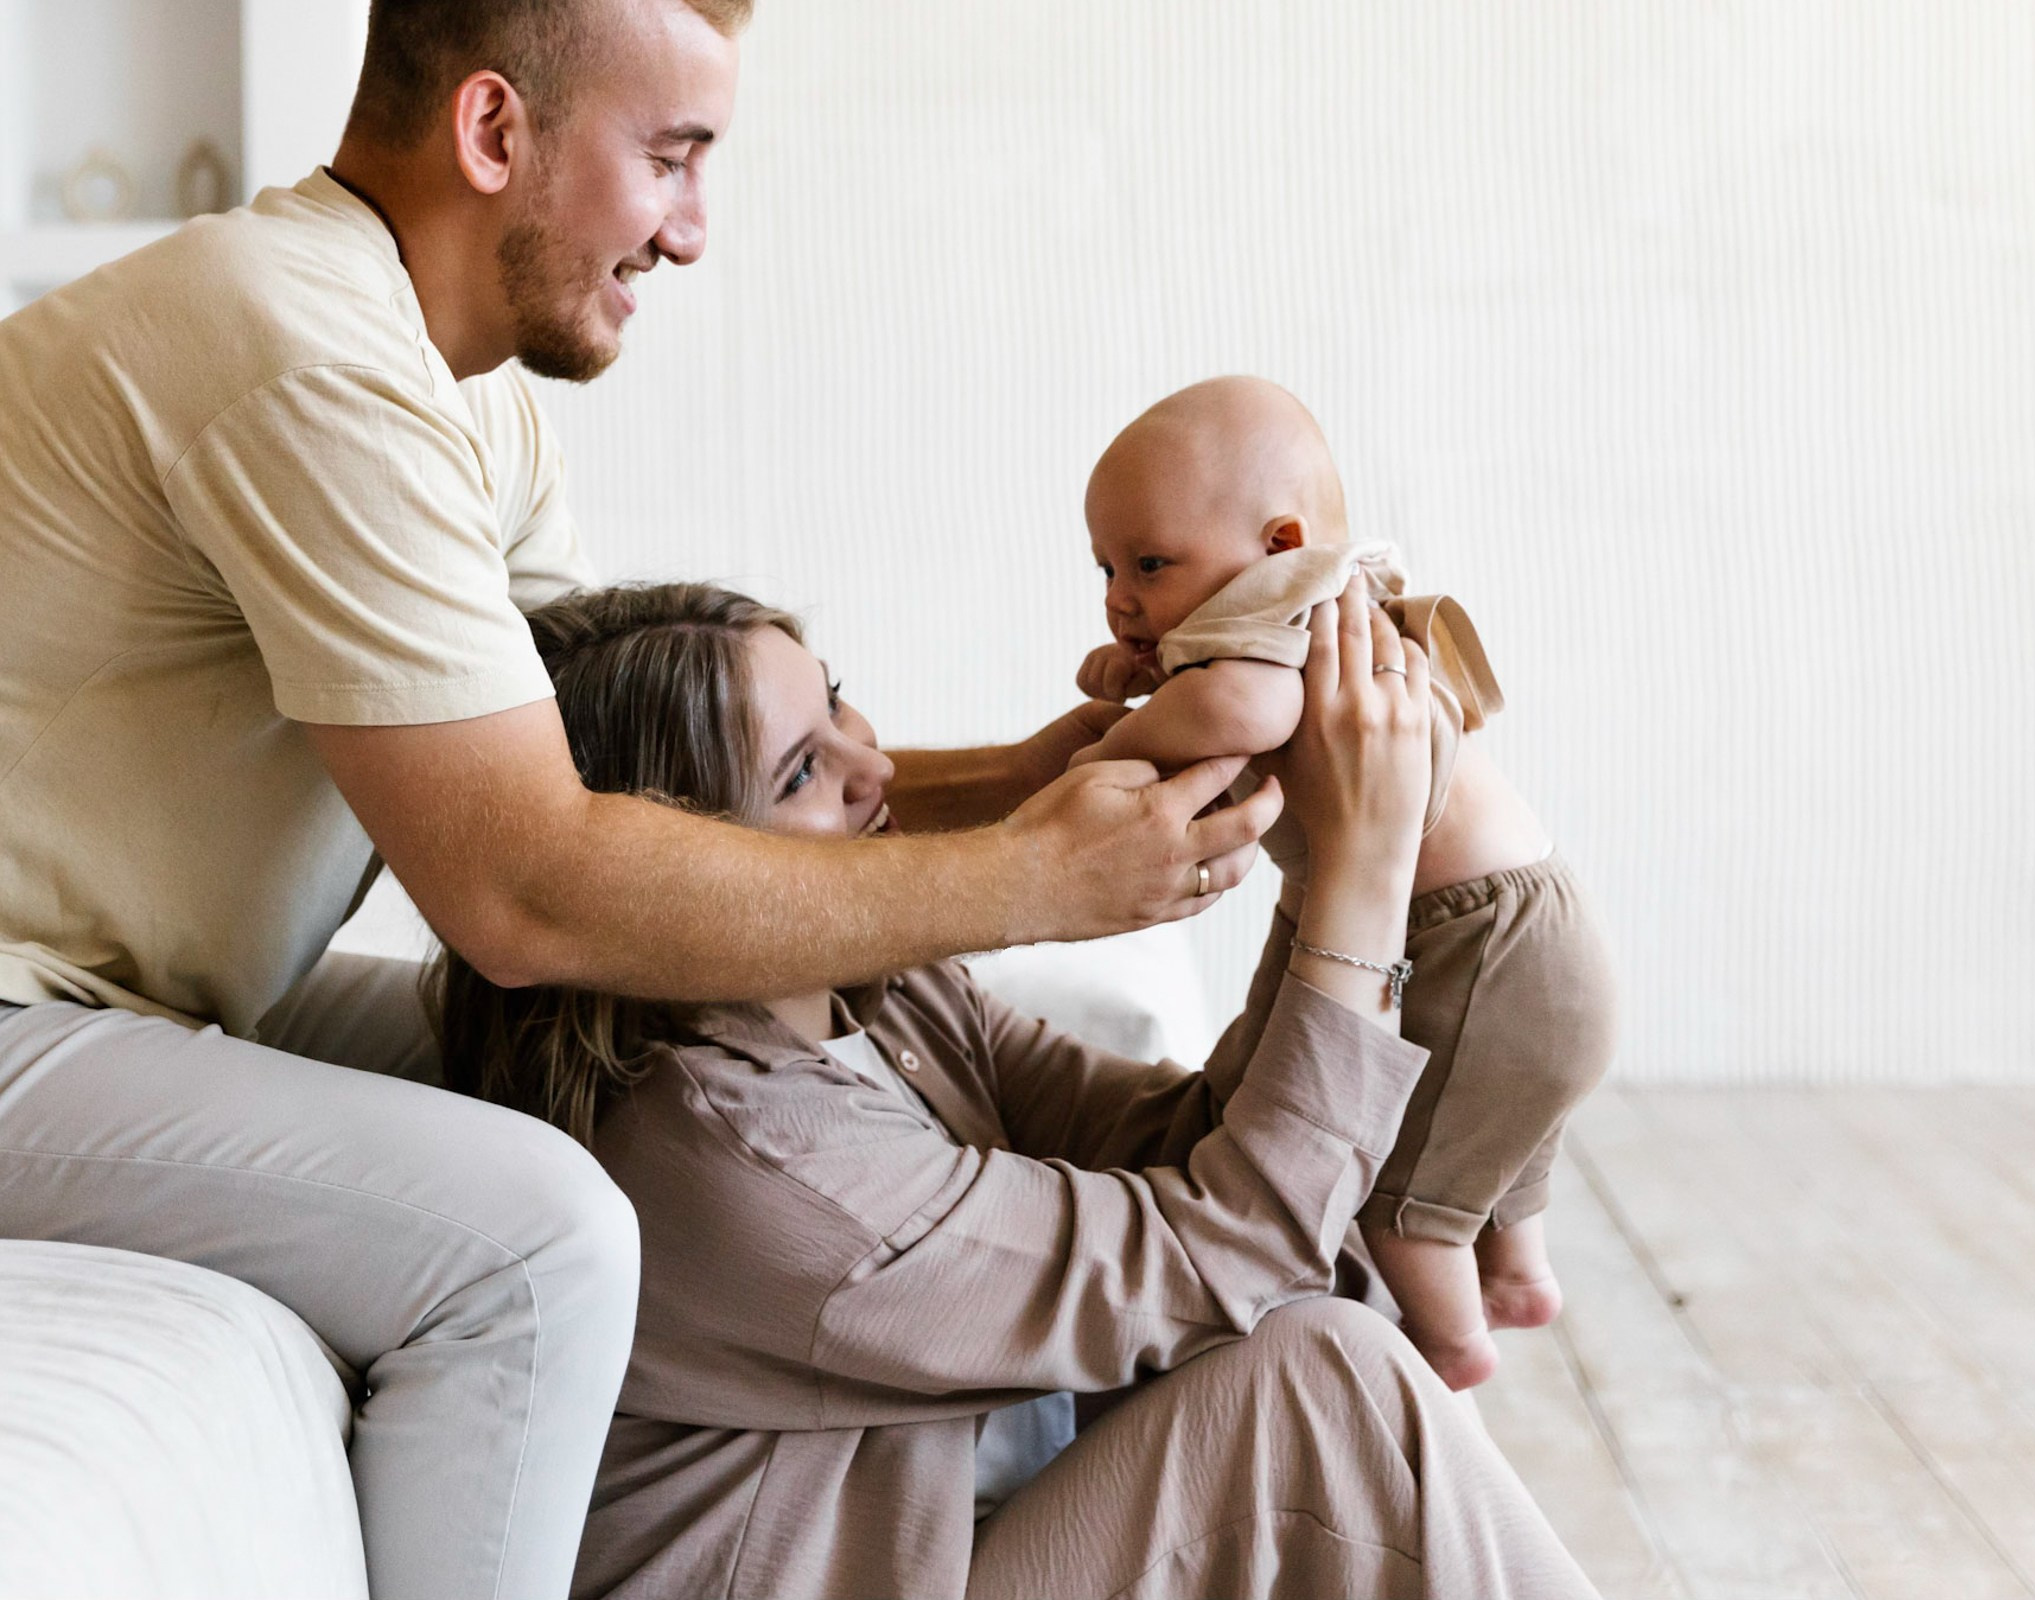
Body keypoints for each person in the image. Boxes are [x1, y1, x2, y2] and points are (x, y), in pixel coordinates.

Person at [0, 3, 1269, 1596]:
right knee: (543, 1235)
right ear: (491, 133)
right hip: (21, 1013)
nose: (690, 230)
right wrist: (1032, 878)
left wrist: (1040, 778)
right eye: (670, 159)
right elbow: (530, 892)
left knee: (653, 1068)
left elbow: (641, 791)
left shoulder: (456, 390)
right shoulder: (302, 357)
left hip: (119, 996)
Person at [432, 576, 1600, 1599]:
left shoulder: (878, 1002)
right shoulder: (742, 1160)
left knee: (1323, 1336)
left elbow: (1194, 1153)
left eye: (836, 703)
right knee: (1319, 1381)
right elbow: (1233, 1250)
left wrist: (1310, 841)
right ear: (687, 870)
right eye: (802, 771)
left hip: (964, 1544)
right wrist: (1365, 867)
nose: (876, 769)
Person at [1071, 375, 1617, 1390]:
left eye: (1149, 562)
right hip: (1533, 925)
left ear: (1279, 545)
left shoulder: (1273, 625)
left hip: (1470, 940)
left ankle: (1451, 1342)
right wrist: (1151, 662)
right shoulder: (1316, 599)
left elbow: (1232, 709)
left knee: (1394, 1186)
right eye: (1106, 565)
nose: (1120, 593)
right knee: (1484, 1122)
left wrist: (1114, 741)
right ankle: (1519, 1263)